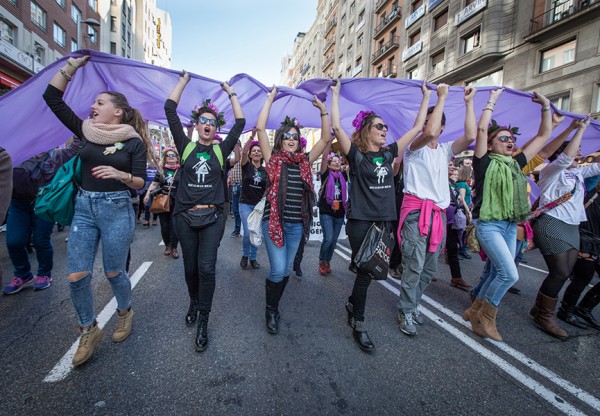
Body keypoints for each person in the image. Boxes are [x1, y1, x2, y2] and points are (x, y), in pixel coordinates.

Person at [43, 55, 153, 366]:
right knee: (77, 275)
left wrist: (122, 176)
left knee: (114, 271)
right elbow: (52, 97)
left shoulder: (133, 143)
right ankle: (88, 331)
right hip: (83, 208)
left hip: (117, 209)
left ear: (117, 112)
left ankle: (124, 312)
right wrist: (72, 68)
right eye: (94, 101)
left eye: (99, 101)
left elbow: (141, 182)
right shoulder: (85, 130)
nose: (93, 105)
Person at [331, 79, 431, 351]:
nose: (385, 129)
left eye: (386, 126)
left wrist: (426, 96)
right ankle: (359, 323)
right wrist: (336, 95)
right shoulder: (356, 156)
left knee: (370, 273)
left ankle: (353, 305)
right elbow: (337, 127)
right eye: (379, 126)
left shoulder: (388, 155)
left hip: (385, 222)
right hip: (361, 223)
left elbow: (417, 129)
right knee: (365, 271)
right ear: (366, 131)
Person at [463, 88, 552, 342]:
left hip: (510, 225)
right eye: (503, 138)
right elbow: (481, 130)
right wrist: (492, 99)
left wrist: (545, 105)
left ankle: (474, 310)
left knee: (495, 272)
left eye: (511, 138)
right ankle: (487, 318)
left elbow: (544, 135)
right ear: (490, 144)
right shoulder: (484, 161)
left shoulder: (516, 162)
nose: (509, 141)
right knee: (509, 274)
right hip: (488, 225)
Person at [165, 70, 245, 352]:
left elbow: (241, 121)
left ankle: (203, 320)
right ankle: (193, 301)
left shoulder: (222, 151)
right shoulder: (185, 148)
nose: (208, 125)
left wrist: (230, 92)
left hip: (212, 217)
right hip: (184, 217)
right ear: (197, 126)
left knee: (206, 267)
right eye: (204, 121)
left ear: (215, 128)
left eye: (212, 122)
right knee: (190, 268)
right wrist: (183, 82)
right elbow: (169, 109)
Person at [396, 84, 477, 337]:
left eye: (436, 122)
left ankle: (414, 303)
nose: (431, 126)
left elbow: (471, 136)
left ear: (443, 127)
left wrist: (469, 103)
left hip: (438, 215)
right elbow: (429, 133)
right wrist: (438, 97)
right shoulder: (413, 149)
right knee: (415, 266)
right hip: (416, 213)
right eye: (427, 121)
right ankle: (406, 309)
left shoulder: (445, 150)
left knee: (430, 269)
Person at [256, 86, 331, 335]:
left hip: (296, 226)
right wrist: (269, 100)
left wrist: (322, 111)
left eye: (295, 136)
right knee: (278, 269)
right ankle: (269, 309)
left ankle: (273, 306)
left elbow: (326, 138)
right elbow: (259, 129)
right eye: (286, 135)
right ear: (280, 139)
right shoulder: (273, 159)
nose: (291, 138)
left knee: (286, 269)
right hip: (273, 224)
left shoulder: (305, 161)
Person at [530, 116, 599, 339]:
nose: (579, 153)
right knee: (559, 271)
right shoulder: (551, 170)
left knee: (565, 272)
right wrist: (580, 129)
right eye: (576, 150)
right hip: (551, 223)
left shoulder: (578, 173)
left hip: (571, 226)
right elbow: (567, 156)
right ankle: (545, 316)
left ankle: (539, 309)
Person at [2, 137, 82, 295]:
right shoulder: (15, 154)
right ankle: (22, 274)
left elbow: (76, 147)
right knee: (14, 241)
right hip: (18, 204)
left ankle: (44, 274)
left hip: (44, 204)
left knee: (40, 240)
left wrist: (82, 118)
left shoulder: (57, 156)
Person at [558, 175, 600, 330]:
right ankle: (566, 310)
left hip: (594, 240)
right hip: (586, 239)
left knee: (583, 276)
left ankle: (584, 308)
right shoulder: (592, 193)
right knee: (583, 276)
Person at [317, 143, 348, 276]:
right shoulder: (325, 175)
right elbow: (324, 158)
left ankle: (327, 261)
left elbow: (351, 160)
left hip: (340, 214)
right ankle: (322, 260)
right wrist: (329, 142)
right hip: (326, 212)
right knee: (328, 238)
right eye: (333, 161)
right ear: (329, 165)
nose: (336, 163)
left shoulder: (343, 176)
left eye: (338, 162)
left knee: (334, 240)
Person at [145, 147, 180, 259]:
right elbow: (154, 184)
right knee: (165, 225)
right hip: (163, 199)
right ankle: (167, 246)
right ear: (165, 158)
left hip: (177, 201)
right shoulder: (161, 170)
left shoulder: (181, 170)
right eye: (168, 156)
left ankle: (174, 247)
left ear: (176, 158)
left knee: (175, 225)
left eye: (172, 155)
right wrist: (147, 195)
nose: (170, 158)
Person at [239, 132, 267, 270]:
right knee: (248, 232)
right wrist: (252, 136)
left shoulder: (265, 171)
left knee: (257, 232)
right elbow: (243, 153)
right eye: (254, 151)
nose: (256, 152)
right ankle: (245, 256)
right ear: (250, 154)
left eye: (259, 151)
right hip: (245, 204)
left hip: (259, 207)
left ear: (262, 155)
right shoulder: (246, 166)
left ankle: (253, 258)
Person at [446, 166, 472, 290]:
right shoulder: (438, 180)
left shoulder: (452, 184)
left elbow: (458, 200)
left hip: (451, 219)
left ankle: (456, 277)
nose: (453, 168)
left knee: (452, 247)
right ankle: (425, 272)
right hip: (439, 217)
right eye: (449, 165)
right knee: (432, 247)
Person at [455, 165, 473, 259]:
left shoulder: (463, 184)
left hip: (464, 209)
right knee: (462, 231)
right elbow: (462, 199)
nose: (471, 175)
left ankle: (461, 249)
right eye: (470, 173)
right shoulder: (462, 184)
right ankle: (461, 249)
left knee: (463, 231)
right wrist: (468, 211)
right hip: (463, 209)